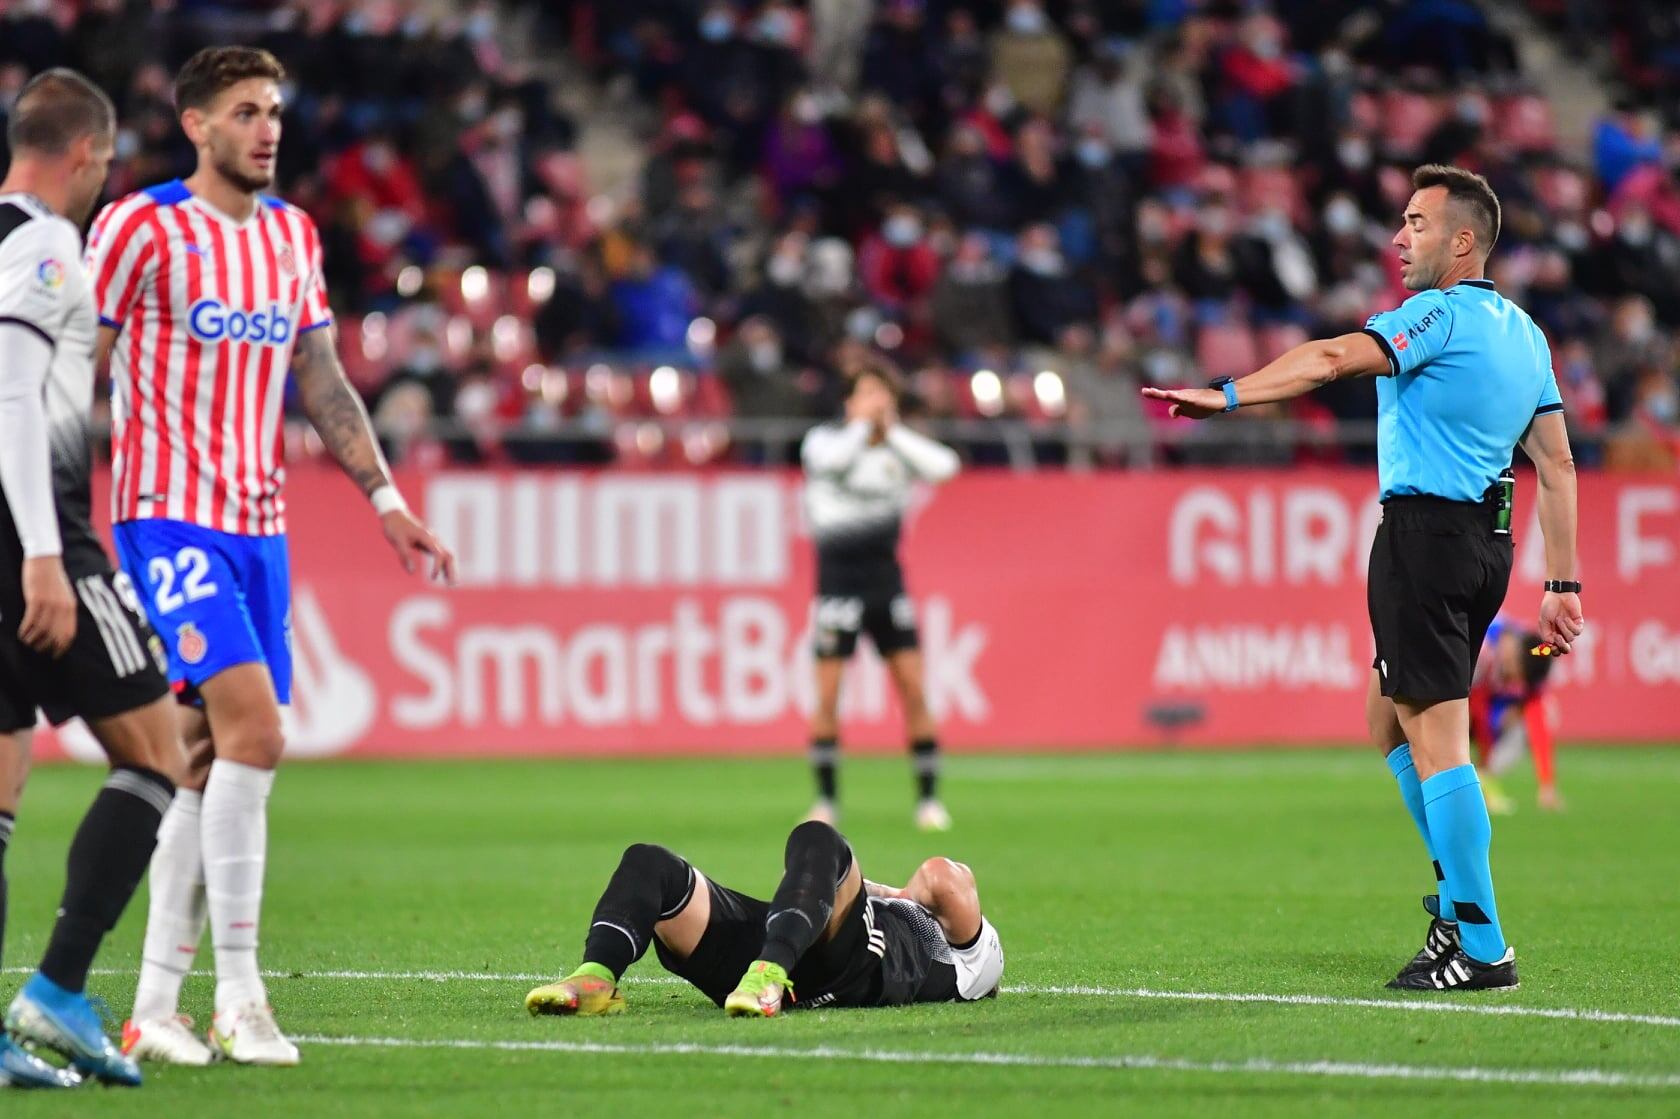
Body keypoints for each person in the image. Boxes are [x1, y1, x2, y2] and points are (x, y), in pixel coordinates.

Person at [86, 46, 457, 1067]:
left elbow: (324, 380)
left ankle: (155, 1003)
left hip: (262, 530)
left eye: (275, 111)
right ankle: (241, 996)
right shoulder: (140, 226)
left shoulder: (292, 238)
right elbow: (81, 367)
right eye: (246, 110)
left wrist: (384, 496)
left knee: (204, 759)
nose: (267, 128)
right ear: (196, 124)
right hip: (166, 520)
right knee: (258, 732)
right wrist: (50, 518)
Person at [1144, 164, 1584, 992]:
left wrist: (1229, 394)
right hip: (1486, 541)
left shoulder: (1437, 314)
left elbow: (1332, 357)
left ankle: (1479, 940)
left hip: (1424, 538)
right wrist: (1565, 585)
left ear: (1462, 241)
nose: (1398, 238)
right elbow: (1556, 462)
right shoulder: (1527, 333)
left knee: (1436, 740)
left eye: (1415, 223)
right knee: (1386, 721)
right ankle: (1461, 903)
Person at [0, 68, 189, 1089]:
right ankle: (60, 990)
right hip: (42, 542)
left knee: (0, 790)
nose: (103, 176)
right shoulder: (46, 246)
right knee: (159, 748)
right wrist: (42, 553)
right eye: (106, 160)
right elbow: (16, 400)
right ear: (82, 153)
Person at [523, 821, 1004, 1017]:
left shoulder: (956, 954)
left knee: (819, 839)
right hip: (784, 948)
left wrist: (897, 892)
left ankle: (769, 974)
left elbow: (940, 877)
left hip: (842, 965)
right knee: (650, 864)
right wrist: (886, 892)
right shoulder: (928, 941)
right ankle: (596, 977)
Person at [799, 364, 960, 832]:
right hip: (837, 588)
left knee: (913, 689)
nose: (876, 400)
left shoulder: (896, 447)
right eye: (866, 393)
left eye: (882, 392)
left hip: (886, 585)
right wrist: (862, 427)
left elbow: (945, 467)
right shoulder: (824, 442)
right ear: (848, 402)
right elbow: (829, 465)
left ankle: (928, 801)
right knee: (828, 695)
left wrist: (892, 432)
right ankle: (826, 800)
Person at [1469, 617, 1561, 814]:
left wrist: (1547, 785)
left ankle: (1480, 781)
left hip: (1478, 715)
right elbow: (1477, 710)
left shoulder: (1527, 655)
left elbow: (1539, 726)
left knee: (1535, 718)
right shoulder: (1482, 644)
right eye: (1514, 670)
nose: (1512, 680)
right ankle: (1472, 781)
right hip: (1453, 708)